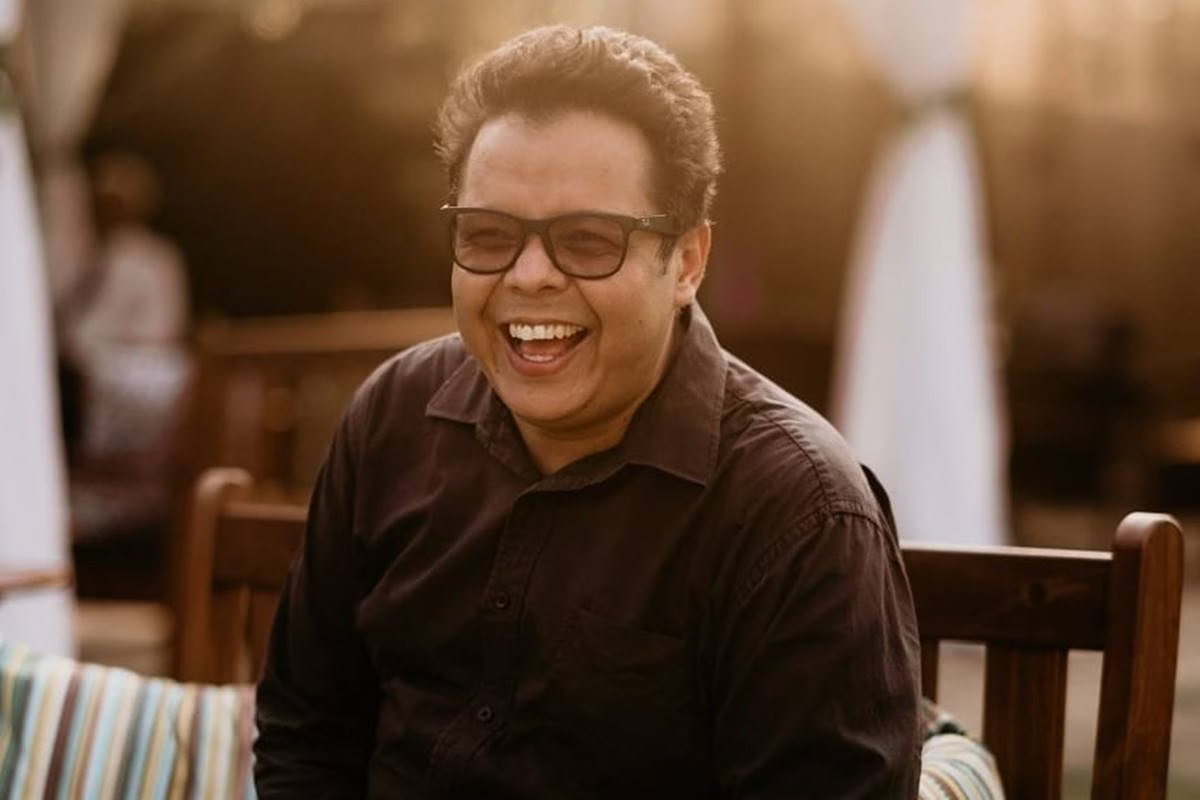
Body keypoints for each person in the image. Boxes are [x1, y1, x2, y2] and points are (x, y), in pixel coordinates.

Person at [255, 24, 921, 798]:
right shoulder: (393, 418)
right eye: (489, 235)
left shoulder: (800, 513)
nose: (529, 276)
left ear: (687, 262)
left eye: (587, 240)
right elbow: (306, 731)